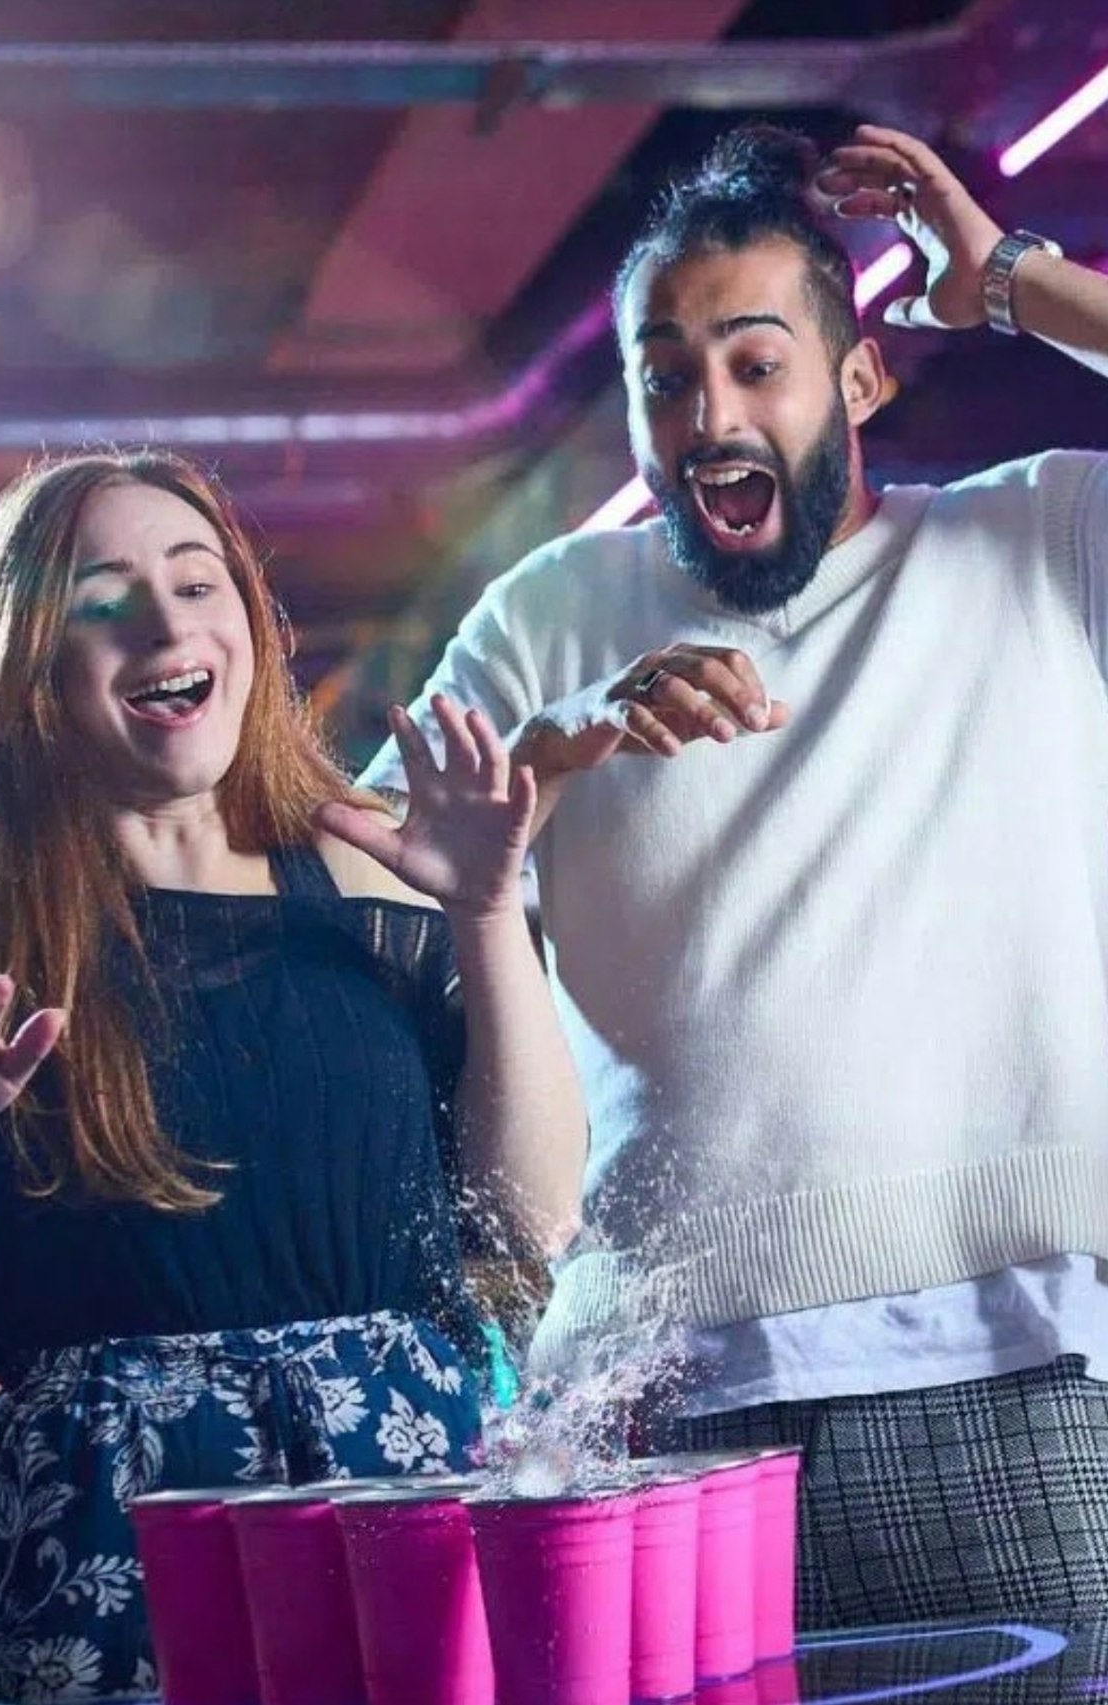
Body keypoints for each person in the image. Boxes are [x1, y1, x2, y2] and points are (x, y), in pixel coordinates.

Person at [360, 122, 1108, 1630]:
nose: (709, 415)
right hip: (656, 1408)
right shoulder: (553, 610)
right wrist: (555, 747)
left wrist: (1013, 279)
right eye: (665, 377)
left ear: (861, 380)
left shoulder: (1040, 535)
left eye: (758, 363)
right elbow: (363, 869)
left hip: (1022, 1376)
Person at [0, 449, 586, 1703]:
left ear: (249, 624)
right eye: (105, 601)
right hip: (105, 1549)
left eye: (195, 582)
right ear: (30, 666)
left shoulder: (377, 878)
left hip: (398, 1506)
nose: (167, 627)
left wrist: (490, 915)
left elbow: (531, 1215)